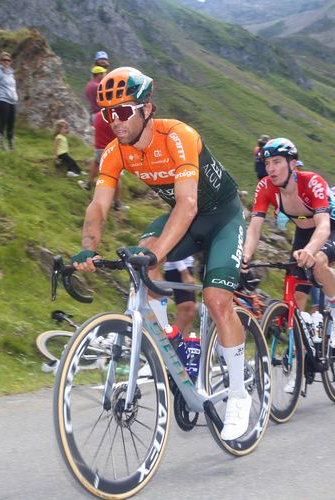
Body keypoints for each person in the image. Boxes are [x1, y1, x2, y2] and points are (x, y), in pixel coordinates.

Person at [71, 67, 252, 440]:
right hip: (183, 218)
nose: (115, 122)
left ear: (146, 109)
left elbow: (187, 205)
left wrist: (157, 255)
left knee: (217, 301)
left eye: (122, 112)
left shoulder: (178, 136)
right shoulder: (115, 152)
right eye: (108, 114)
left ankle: (238, 394)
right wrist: (86, 249)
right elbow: (99, 206)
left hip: (221, 218)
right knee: (142, 260)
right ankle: (168, 339)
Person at [242, 138, 335, 347]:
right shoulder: (265, 186)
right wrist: (245, 256)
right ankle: (301, 353)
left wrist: (309, 250)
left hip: (332, 228)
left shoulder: (312, 182)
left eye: (277, 162)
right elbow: (254, 228)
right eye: (267, 163)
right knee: (295, 298)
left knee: (318, 261)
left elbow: (323, 227)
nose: (270, 169)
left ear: (292, 164)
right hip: (303, 232)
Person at [78, 111, 127, 210]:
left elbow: (95, 127)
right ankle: (117, 203)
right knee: (116, 175)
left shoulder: (98, 116)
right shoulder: (115, 118)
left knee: (96, 163)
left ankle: (89, 184)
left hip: (99, 147)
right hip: (112, 149)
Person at [0, 51, 18, 151]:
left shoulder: (11, 73)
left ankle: (10, 142)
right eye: (4, 60)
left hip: (12, 100)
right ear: (0, 61)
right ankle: (2, 144)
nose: (6, 62)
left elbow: (13, 87)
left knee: (11, 122)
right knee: (3, 120)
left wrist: (15, 97)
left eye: (8, 60)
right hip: (2, 99)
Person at [163, 256, 197, 335]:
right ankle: (168, 342)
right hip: (177, 268)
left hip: (185, 266)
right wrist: (184, 272)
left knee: (190, 312)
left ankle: (181, 345)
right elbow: (175, 246)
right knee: (186, 310)